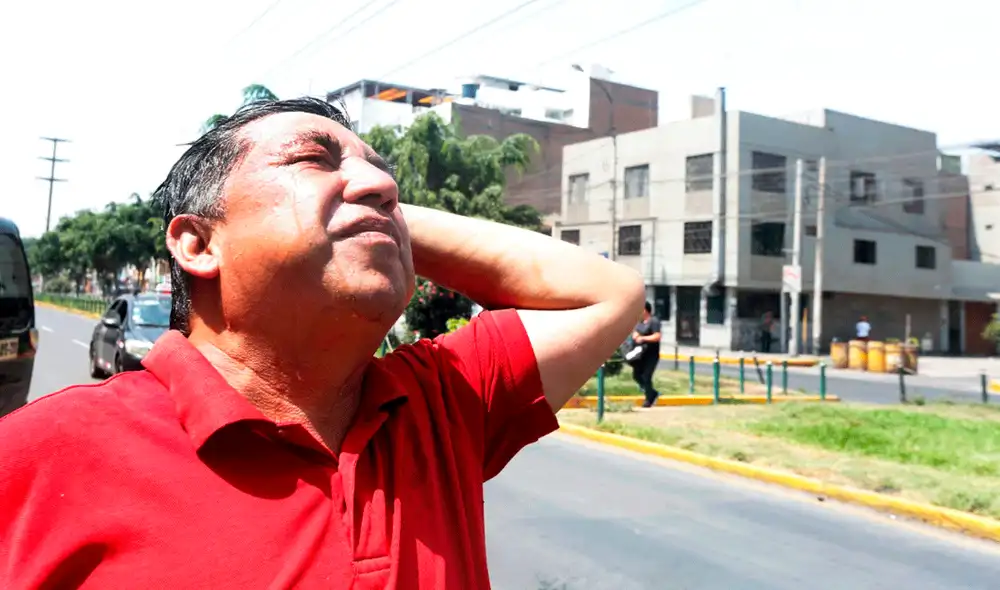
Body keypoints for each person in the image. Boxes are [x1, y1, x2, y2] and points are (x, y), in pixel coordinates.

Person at [0, 98, 645, 588]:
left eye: (383, 176)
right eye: (315, 159)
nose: (383, 186)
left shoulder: (440, 404)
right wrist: (360, 210)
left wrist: (376, 216)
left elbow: (609, 295)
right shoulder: (39, 456)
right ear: (198, 244)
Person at [631, 301, 662, 408]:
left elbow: (657, 336)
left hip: (651, 354)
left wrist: (643, 338)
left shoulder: (654, 321)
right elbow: (635, 332)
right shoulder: (640, 322)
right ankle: (652, 393)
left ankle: (648, 399)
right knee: (636, 375)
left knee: (646, 376)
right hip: (640, 354)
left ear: (645, 310)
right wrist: (635, 336)